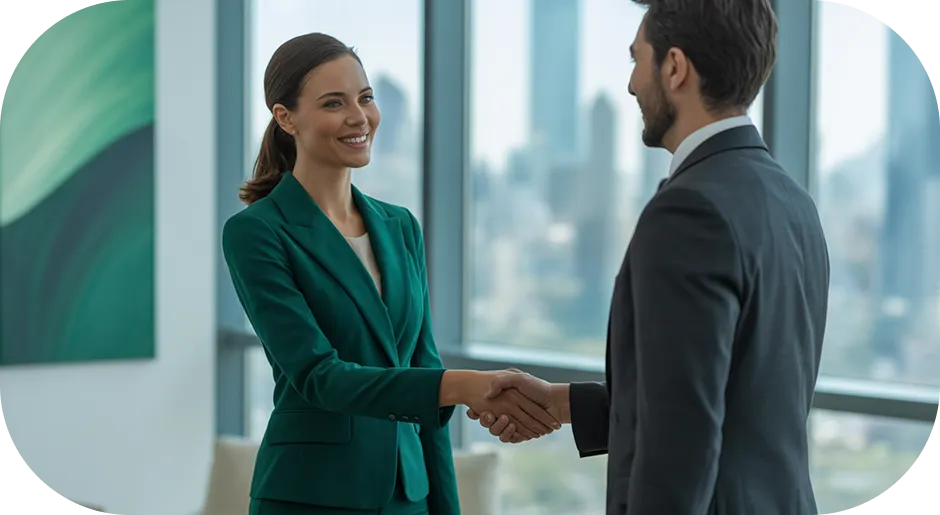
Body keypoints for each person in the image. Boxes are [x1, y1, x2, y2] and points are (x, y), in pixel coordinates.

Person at [469, 1, 830, 514]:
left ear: (676, 67)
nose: (633, 83)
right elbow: (729, 396)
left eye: (638, 59)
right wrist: (563, 403)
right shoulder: (791, 199)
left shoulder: (688, 211)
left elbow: (681, 441)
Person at [222, 33, 560, 515]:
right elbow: (320, 377)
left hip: (409, 493)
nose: (359, 117)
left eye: (365, 97)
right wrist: (463, 385)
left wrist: (446, 507)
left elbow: (424, 366)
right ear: (285, 117)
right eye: (334, 103)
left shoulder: (400, 227)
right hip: (310, 496)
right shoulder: (257, 233)